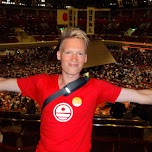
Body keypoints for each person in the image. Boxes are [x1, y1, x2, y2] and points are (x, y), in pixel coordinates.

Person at [1, 28, 152, 152]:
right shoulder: (40, 82)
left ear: (85, 58)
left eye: (79, 53)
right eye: (68, 52)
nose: (74, 59)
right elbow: (4, 83)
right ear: (59, 55)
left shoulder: (97, 87)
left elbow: (140, 95)